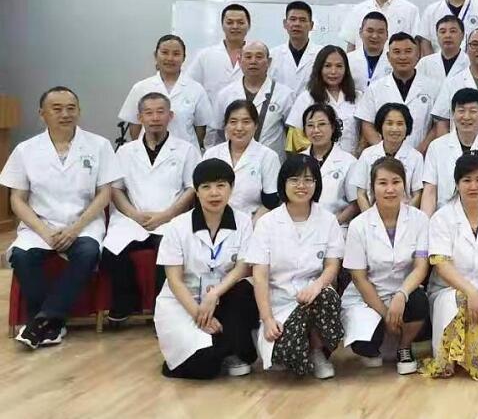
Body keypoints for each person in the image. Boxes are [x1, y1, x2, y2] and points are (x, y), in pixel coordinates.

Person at [4, 87, 121, 349]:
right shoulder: (25, 150)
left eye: (71, 108)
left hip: (84, 223)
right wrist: (45, 232)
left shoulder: (99, 145)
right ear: (42, 114)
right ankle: (52, 323)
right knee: (21, 256)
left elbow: (104, 194)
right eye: (57, 109)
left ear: (79, 111)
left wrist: (75, 229)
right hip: (40, 224)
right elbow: (17, 199)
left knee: (88, 253)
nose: (65, 114)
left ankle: (42, 321)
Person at [154, 159, 260, 379]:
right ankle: (221, 348)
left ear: (231, 187)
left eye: (221, 185)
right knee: (204, 368)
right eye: (206, 187)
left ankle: (230, 349)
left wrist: (214, 294)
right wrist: (198, 314)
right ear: (196, 191)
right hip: (183, 301)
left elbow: (242, 267)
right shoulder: (177, 227)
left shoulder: (243, 222)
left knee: (244, 291)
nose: (214, 193)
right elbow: (174, 279)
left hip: (223, 297)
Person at [102, 92, 199, 325]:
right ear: (140, 118)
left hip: (171, 218)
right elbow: (116, 189)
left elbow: (192, 188)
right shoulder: (125, 151)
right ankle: (126, 302)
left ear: (170, 116)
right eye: (149, 113)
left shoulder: (186, 150)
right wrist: (133, 214)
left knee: (167, 253)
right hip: (133, 218)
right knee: (110, 252)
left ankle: (161, 314)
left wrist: (167, 214)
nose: (155, 118)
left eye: (160, 112)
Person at [247, 154, 347, 379]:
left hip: (314, 294)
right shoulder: (267, 223)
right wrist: (267, 318)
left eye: (308, 180)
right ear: (283, 183)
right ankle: (285, 345)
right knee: (288, 356)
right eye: (294, 180)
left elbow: (332, 265)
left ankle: (317, 352)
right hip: (280, 301)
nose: (301, 186)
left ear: (316, 184)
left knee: (326, 296)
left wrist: (317, 286)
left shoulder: (328, 220)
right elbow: (260, 277)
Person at [422, 151, 478, 382]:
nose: (473, 186)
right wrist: (471, 292)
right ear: (457, 184)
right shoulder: (442, 218)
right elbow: (441, 264)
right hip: (449, 290)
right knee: (460, 301)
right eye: (467, 180)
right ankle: (451, 359)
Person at [341, 155, 432, 375]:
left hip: (403, 291)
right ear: (372, 188)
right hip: (368, 298)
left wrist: (401, 294)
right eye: (382, 183)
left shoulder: (420, 220)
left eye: (396, 182)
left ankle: (404, 347)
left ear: (405, 186)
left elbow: (421, 267)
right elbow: (359, 278)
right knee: (364, 345)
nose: (390, 189)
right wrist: (385, 314)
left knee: (419, 301)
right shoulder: (359, 225)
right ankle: (382, 337)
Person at [421, 88, 478, 214]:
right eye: (461, 111)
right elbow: (430, 193)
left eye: (473, 111)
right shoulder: (436, 147)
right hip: (443, 219)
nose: (466, 116)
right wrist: (427, 222)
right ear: (453, 114)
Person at [118, 34, 212, 148]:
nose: (170, 58)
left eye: (176, 54)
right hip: (149, 151)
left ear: (184, 58)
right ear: (156, 55)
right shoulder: (141, 87)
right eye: (165, 52)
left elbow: (200, 129)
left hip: (185, 152)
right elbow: (135, 126)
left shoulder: (196, 89)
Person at [207, 41, 296, 156]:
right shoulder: (225, 95)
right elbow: (215, 133)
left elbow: (293, 136)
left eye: (259, 57)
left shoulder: (285, 95)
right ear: (239, 61)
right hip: (232, 162)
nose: (253, 61)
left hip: (271, 162)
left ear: (269, 62)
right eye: (248, 57)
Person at [356, 32, 436, 152]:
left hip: (421, 156)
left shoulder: (432, 87)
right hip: (384, 158)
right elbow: (367, 124)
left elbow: (438, 125)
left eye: (408, 51)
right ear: (388, 57)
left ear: (417, 55)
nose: (402, 57)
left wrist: (420, 152)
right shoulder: (375, 88)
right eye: (397, 52)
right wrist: (385, 151)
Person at [201, 100, 281, 219]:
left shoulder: (268, 156)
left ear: (256, 125)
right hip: (214, 220)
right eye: (233, 122)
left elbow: (271, 202)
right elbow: (202, 194)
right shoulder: (212, 154)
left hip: (253, 221)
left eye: (246, 122)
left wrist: (252, 225)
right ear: (225, 126)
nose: (239, 128)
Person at [351, 102, 425, 211]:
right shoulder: (367, 154)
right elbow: (361, 193)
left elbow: (417, 194)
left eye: (400, 124)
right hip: (372, 215)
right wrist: (370, 217)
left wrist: (405, 216)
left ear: (407, 127)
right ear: (380, 126)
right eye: (389, 123)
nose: (394, 129)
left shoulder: (416, 157)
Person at [287, 45, 359, 155]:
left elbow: (364, 133)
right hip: (315, 161)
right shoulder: (306, 98)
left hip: (351, 159)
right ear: (319, 68)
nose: (333, 71)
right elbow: (295, 139)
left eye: (339, 66)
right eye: (327, 66)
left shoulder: (358, 97)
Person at [302, 104, 360, 228]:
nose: (316, 130)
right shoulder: (298, 160)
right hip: (302, 226)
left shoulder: (349, 162)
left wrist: (333, 224)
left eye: (322, 124)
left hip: (336, 227)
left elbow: (355, 204)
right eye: (310, 125)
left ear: (333, 127)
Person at [186, 3, 250, 100]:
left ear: (248, 26)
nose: (235, 26)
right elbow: (189, 85)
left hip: (248, 109)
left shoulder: (257, 57)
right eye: (229, 22)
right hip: (211, 109)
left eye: (240, 22)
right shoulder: (205, 55)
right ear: (222, 25)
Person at [269, 1, 322, 101]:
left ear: (311, 25)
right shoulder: (272, 55)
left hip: (312, 107)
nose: (297, 24)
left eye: (302, 20)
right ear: (285, 24)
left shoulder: (322, 54)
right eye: (293, 19)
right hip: (279, 107)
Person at [414, 14, 468, 91]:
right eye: (443, 32)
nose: (447, 35)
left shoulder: (469, 63)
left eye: (453, 31)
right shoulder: (424, 63)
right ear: (437, 35)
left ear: (462, 35)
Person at [347, 11, 392, 93]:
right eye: (370, 31)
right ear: (360, 32)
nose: (375, 36)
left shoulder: (394, 61)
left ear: (387, 35)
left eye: (380, 32)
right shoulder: (347, 60)